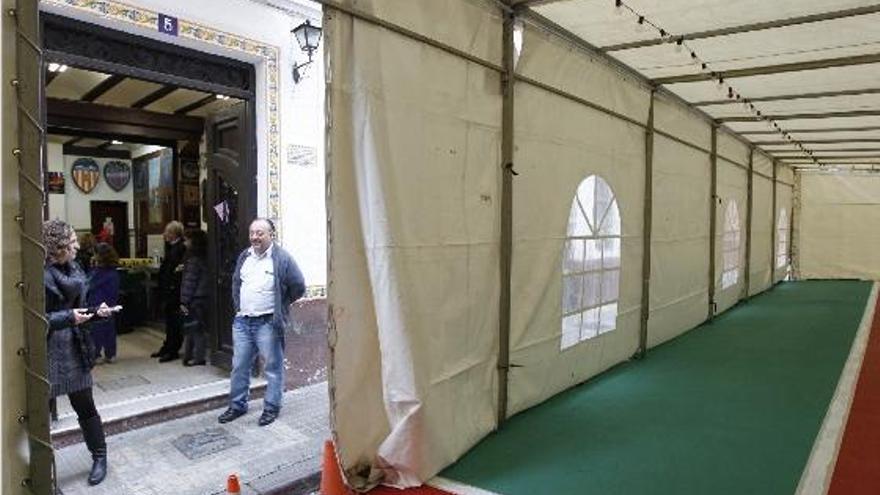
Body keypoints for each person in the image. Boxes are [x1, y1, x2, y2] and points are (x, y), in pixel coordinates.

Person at [44, 220, 115, 485]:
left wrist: (97, 313)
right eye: (72, 241)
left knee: (86, 407)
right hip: (47, 351)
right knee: (40, 418)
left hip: (75, 348)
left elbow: (79, 310)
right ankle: (44, 474)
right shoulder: (39, 273)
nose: (76, 245)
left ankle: (100, 457)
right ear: (58, 246)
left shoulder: (75, 268)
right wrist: (69, 317)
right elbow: (36, 318)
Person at [217, 218, 305, 427]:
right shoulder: (244, 257)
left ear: (271, 235)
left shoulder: (282, 259)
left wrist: (280, 305)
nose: (255, 237)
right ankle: (237, 405)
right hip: (243, 322)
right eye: (252, 233)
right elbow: (236, 283)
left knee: (273, 368)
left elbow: (298, 285)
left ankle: (271, 408)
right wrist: (239, 307)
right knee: (239, 366)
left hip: (268, 323)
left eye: (260, 233)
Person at [152, 221, 187, 362]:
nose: (164, 234)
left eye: (167, 232)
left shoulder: (180, 248)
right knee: (169, 321)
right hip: (168, 290)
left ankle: (173, 350)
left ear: (174, 233)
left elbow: (177, 271)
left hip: (174, 291)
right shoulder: (171, 247)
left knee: (174, 322)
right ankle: (167, 346)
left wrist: (172, 287)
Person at [179, 229, 209, 366]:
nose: (185, 242)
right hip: (202, 298)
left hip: (194, 299)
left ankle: (196, 357)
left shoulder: (192, 259)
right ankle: (190, 355)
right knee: (196, 328)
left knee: (194, 329)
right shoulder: (205, 256)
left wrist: (184, 301)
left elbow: (189, 282)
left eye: (187, 240)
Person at [88, 243, 121, 364]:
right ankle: (110, 353)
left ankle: (96, 353)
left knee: (96, 329)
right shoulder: (113, 272)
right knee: (108, 328)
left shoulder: (98, 272)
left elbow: (89, 284)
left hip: (97, 301)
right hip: (109, 301)